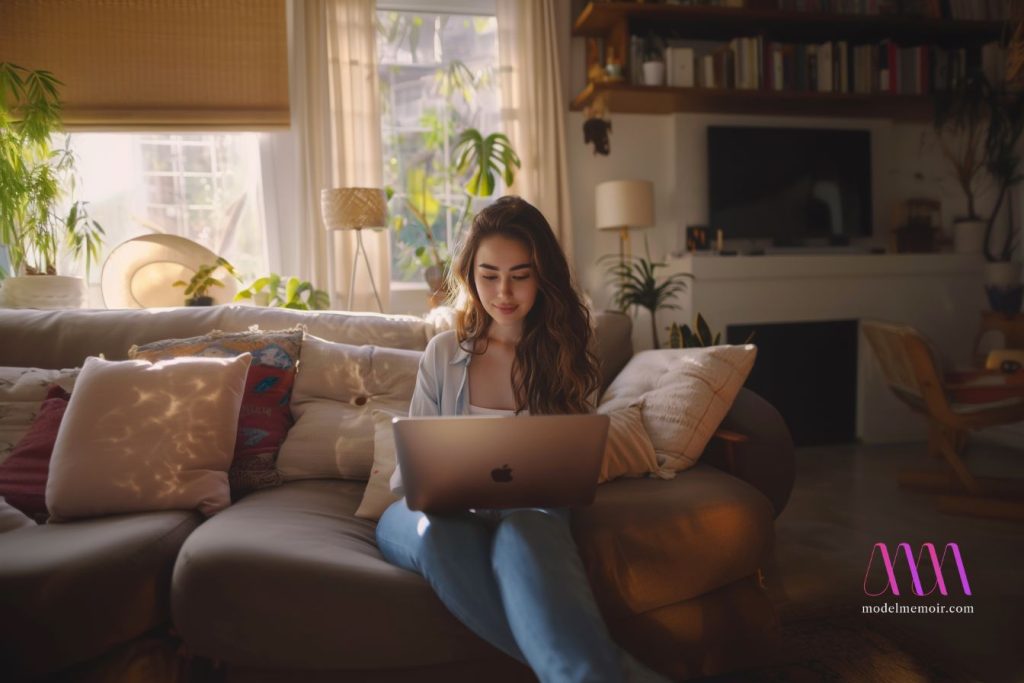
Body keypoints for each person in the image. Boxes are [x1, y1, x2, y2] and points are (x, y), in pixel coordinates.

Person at [375, 196, 669, 683]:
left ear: (543, 275)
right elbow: (412, 472)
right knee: (441, 535)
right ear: (470, 275)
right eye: (489, 274)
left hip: (531, 510)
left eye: (520, 274)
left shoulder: (569, 356)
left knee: (528, 530)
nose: (503, 291)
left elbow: (569, 463)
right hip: (431, 513)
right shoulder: (443, 352)